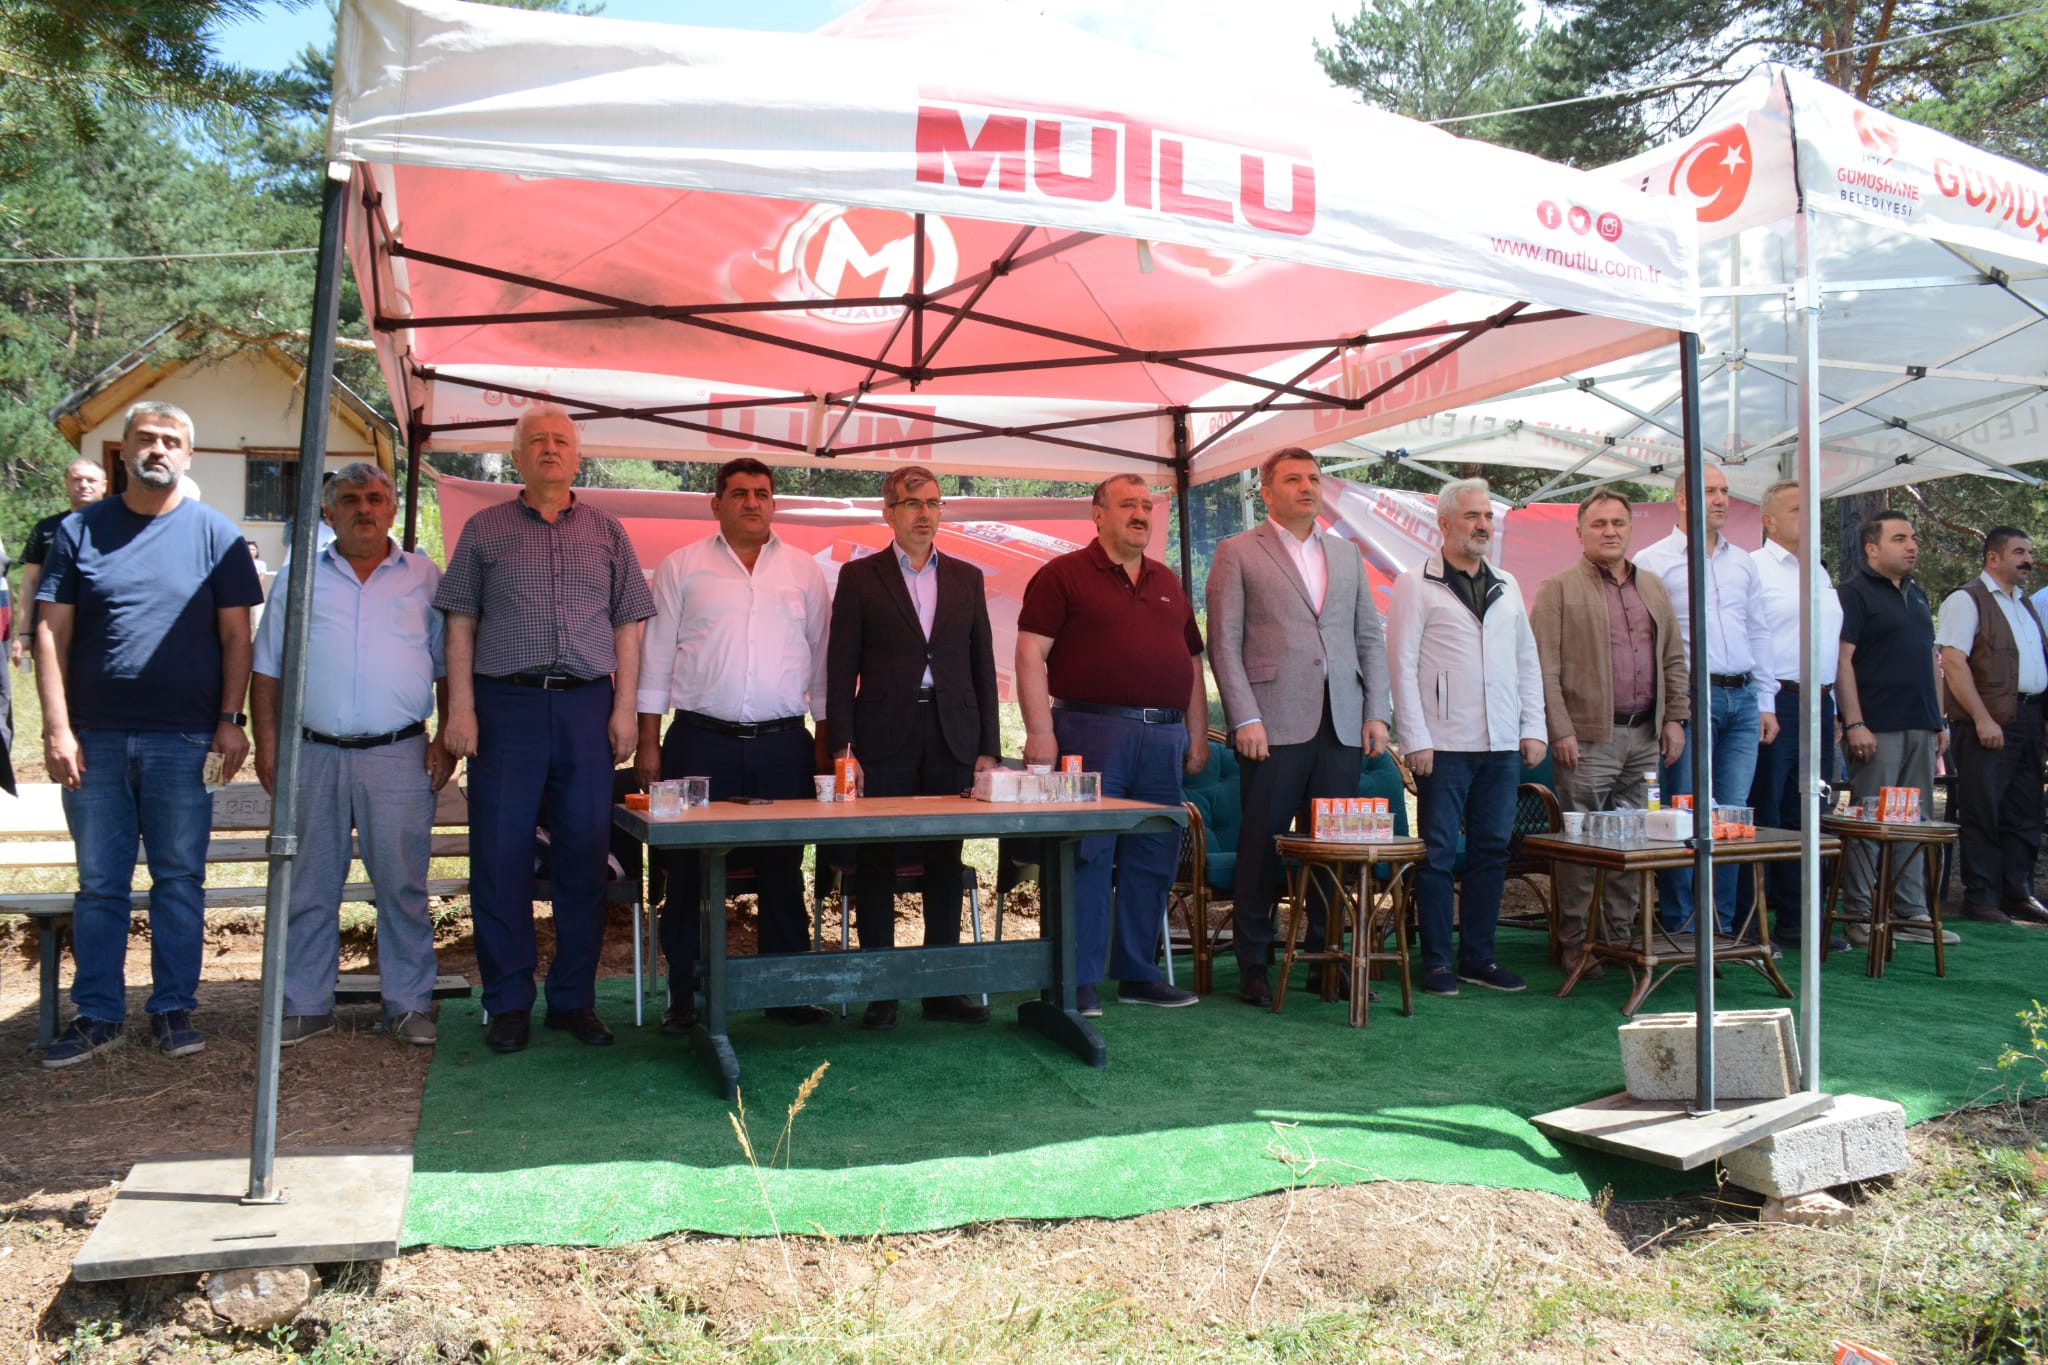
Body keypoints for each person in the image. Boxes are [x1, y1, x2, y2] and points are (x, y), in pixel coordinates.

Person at [32, 401, 263, 1067]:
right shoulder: (79, 531)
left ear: (187, 456)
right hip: (94, 740)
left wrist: (231, 721)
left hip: (185, 740)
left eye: (170, 440)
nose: (157, 449)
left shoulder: (217, 535)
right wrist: (56, 728)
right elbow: (50, 631)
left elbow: (236, 637)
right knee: (100, 883)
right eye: (146, 438)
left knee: (178, 880)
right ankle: (98, 1014)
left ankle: (172, 1009)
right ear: (124, 450)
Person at [436, 403, 654, 1055]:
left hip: (587, 706)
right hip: (506, 707)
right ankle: (508, 1001)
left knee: (584, 856)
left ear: (578, 457)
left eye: (561, 440)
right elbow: (460, 622)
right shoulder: (484, 529)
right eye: (537, 440)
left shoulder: (608, 531)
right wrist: (460, 709)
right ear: (517, 456)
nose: (550, 448)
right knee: (500, 856)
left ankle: (573, 1000)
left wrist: (624, 708)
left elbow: (629, 625)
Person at [250, 463, 456, 1048]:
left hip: (399, 754)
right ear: (328, 511)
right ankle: (304, 1004)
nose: (364, 509)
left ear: (392, 508)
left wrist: (445, 737)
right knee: (309, 885)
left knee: (402, 886)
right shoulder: (298, 576)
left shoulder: (425, 577)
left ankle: (407, 1004)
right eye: (349, 499)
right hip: (312, 752)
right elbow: (268, 668)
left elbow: (447, 666)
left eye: (374, 498)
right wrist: (269, 744)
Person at [637, 457, 832, 1031]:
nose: (752, 502)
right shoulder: (681, 567)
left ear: (774, 503)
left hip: (783, 745)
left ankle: (784, 994)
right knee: (688, 872)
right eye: (740, 493)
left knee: (783, 871)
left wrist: (824, 744)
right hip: (699, 742)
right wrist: (648, 742)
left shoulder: (803, 571)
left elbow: (823, 662)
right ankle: (685, 996)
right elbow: (655, 659)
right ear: (716, 503)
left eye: (762, 493)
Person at [1016, 473, 1208, 1016]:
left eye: (1147, 505)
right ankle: (1076, 979)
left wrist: (1196, 734)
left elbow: (1193, 663)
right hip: (1090, 731)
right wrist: (1040, 731)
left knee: (1153, 856)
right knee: (1088, 856)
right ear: (1098, 514)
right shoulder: (1062, 575)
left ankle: (1138, 974)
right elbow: (1029, 653)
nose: (1140, 514)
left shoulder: (1168, 580)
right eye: (1128, 505)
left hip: (1164, 738)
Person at [1205, 447, 1390, 1008]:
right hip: (1270, 724)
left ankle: (1325, 962)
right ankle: (1254, 965)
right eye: (1292, 479)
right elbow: (1223, 642)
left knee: (1333, 849)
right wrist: (1245, 717)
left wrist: (1376, 711)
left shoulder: (1346, 554)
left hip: (1341, 723)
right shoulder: (1238, 551)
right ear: (1266, 491)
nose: (1307, 487)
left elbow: (1368, 637)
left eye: (1313, 478)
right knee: (1260, 847)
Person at [826, 466, 1002, 1029]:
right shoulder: (859, 576)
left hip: (952, 735)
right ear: (889, 512)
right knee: (876, 860)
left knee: (945, 860)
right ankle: (882, 991)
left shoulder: (967, 578)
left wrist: (989, 746)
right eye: (913, 503)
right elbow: (840, 669)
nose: (925, 513)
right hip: (882, 737)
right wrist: (843, 749)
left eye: (933, 502)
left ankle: (941, 990)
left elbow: (982, 665)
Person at [1385, 477, 1545, 997]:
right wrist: (1415, 738)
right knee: (1436, 853)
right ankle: (1436, 963)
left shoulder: (1508, 584)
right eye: (1472, 516)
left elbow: (1527, 662)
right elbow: (1401, 666)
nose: (1482, 525)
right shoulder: (1415, 583)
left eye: (1488, 516)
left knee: (1492, 850)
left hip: (1501, 744)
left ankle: (1479, 957)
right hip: (1444, 745)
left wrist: (1533, 727)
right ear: (1445, 522)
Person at [1530, 490, 1687, 974]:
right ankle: (1577, 945)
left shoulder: (1653, 587)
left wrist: (1674, 718)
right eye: (1599, 524)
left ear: (1630, 529)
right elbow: (1543, 668)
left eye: (1618, 522)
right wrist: (1560, 730)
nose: (1610, 531)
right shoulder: (1557, 589)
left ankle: (1618, 939)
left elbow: (1673, 658)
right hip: (1585, 740)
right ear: (1580, 532)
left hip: (1645, 739)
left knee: (1636, 840)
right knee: (1581, 848)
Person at [1636, 464, 1776, 933]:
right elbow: (1649, 643)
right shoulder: (1652, 561)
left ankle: (1721, 924)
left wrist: (1766, 700)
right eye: (1709, 491)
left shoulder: (1744, 562)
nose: (1720, 499)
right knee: (1686, 812)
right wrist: (1671, 712)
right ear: (1680, 499)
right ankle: (1683, 924)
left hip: (1743, 697)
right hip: (1691, 697)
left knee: (1732, 814)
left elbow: (1758, 630)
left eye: (1724, 491)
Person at [1836, 510, 1954, 947]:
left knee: (1915, 823)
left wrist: (1939, 719)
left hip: (1921, 726)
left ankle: (1910, 914)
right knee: (1870, 823)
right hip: (1876, 728)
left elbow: (1931, 660)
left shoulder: (1917, 593)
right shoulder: (1852, 594)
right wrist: (1854, 722)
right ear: (1872, 548)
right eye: (1900, 538)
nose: (1912, 546)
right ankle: (1860, 916)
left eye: (1913, 538)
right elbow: (1841, 660)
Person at [1745, 479, 1845, 945]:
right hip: (1777, 699)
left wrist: (1835, 706)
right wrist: (1763, 701)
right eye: (1797, 509)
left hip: (1819, 702)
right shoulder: (1754, 567)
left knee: (1808, 810)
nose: (1810, 517)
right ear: (1769, 521)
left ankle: (1798, 919)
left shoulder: (1819, 572)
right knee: (1767, 810)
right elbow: (1751, 638)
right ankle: (1752, 920)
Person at [1936, 526, 2048, 926]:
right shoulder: (1967, 600)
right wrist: (1982, 717)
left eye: (2028, 552)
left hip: (2028, 718)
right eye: (2019, 552)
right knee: (1983, 809)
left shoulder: (2025, 603)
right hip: (1987, 721)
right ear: (1993, 557)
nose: (2028, 560)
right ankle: (1981, 897)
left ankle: (2017, 894)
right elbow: (1953, 663)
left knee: (2025, 810)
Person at [12, 457, 108, 668]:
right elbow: (29, 582)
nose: (83, 485)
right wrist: (25, 633)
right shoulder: (46, 528)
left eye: (91, 480)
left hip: (101, 632)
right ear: (66, 483)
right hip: (51, 629)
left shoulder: (116, 529)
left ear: (104, 486)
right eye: (77, 479)